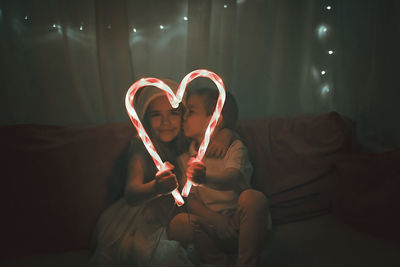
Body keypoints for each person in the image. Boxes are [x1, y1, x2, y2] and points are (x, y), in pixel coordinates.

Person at [89, 79, 232, 267]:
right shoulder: (142, 149)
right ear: (145, 119)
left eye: (173, 113)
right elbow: (132, 194)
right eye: (156, 115)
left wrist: (225, 135)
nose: (165, 122)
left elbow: (217, 126)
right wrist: (156, 187)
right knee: (148, 252)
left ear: (184, 115)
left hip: (174, 217)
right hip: (139, 219)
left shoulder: (186, 142)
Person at [168, 88, 271, 267]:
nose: (183, 118)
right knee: (179, 223)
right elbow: (191, 201)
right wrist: (216, 220)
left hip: (241, 224)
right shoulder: (184, 160)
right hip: (212, 225)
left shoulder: (234, 148)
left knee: (254, 199)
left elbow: (232, 178)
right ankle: (217, 262)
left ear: (215, 119)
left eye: (191, 112)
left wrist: (204, 178)